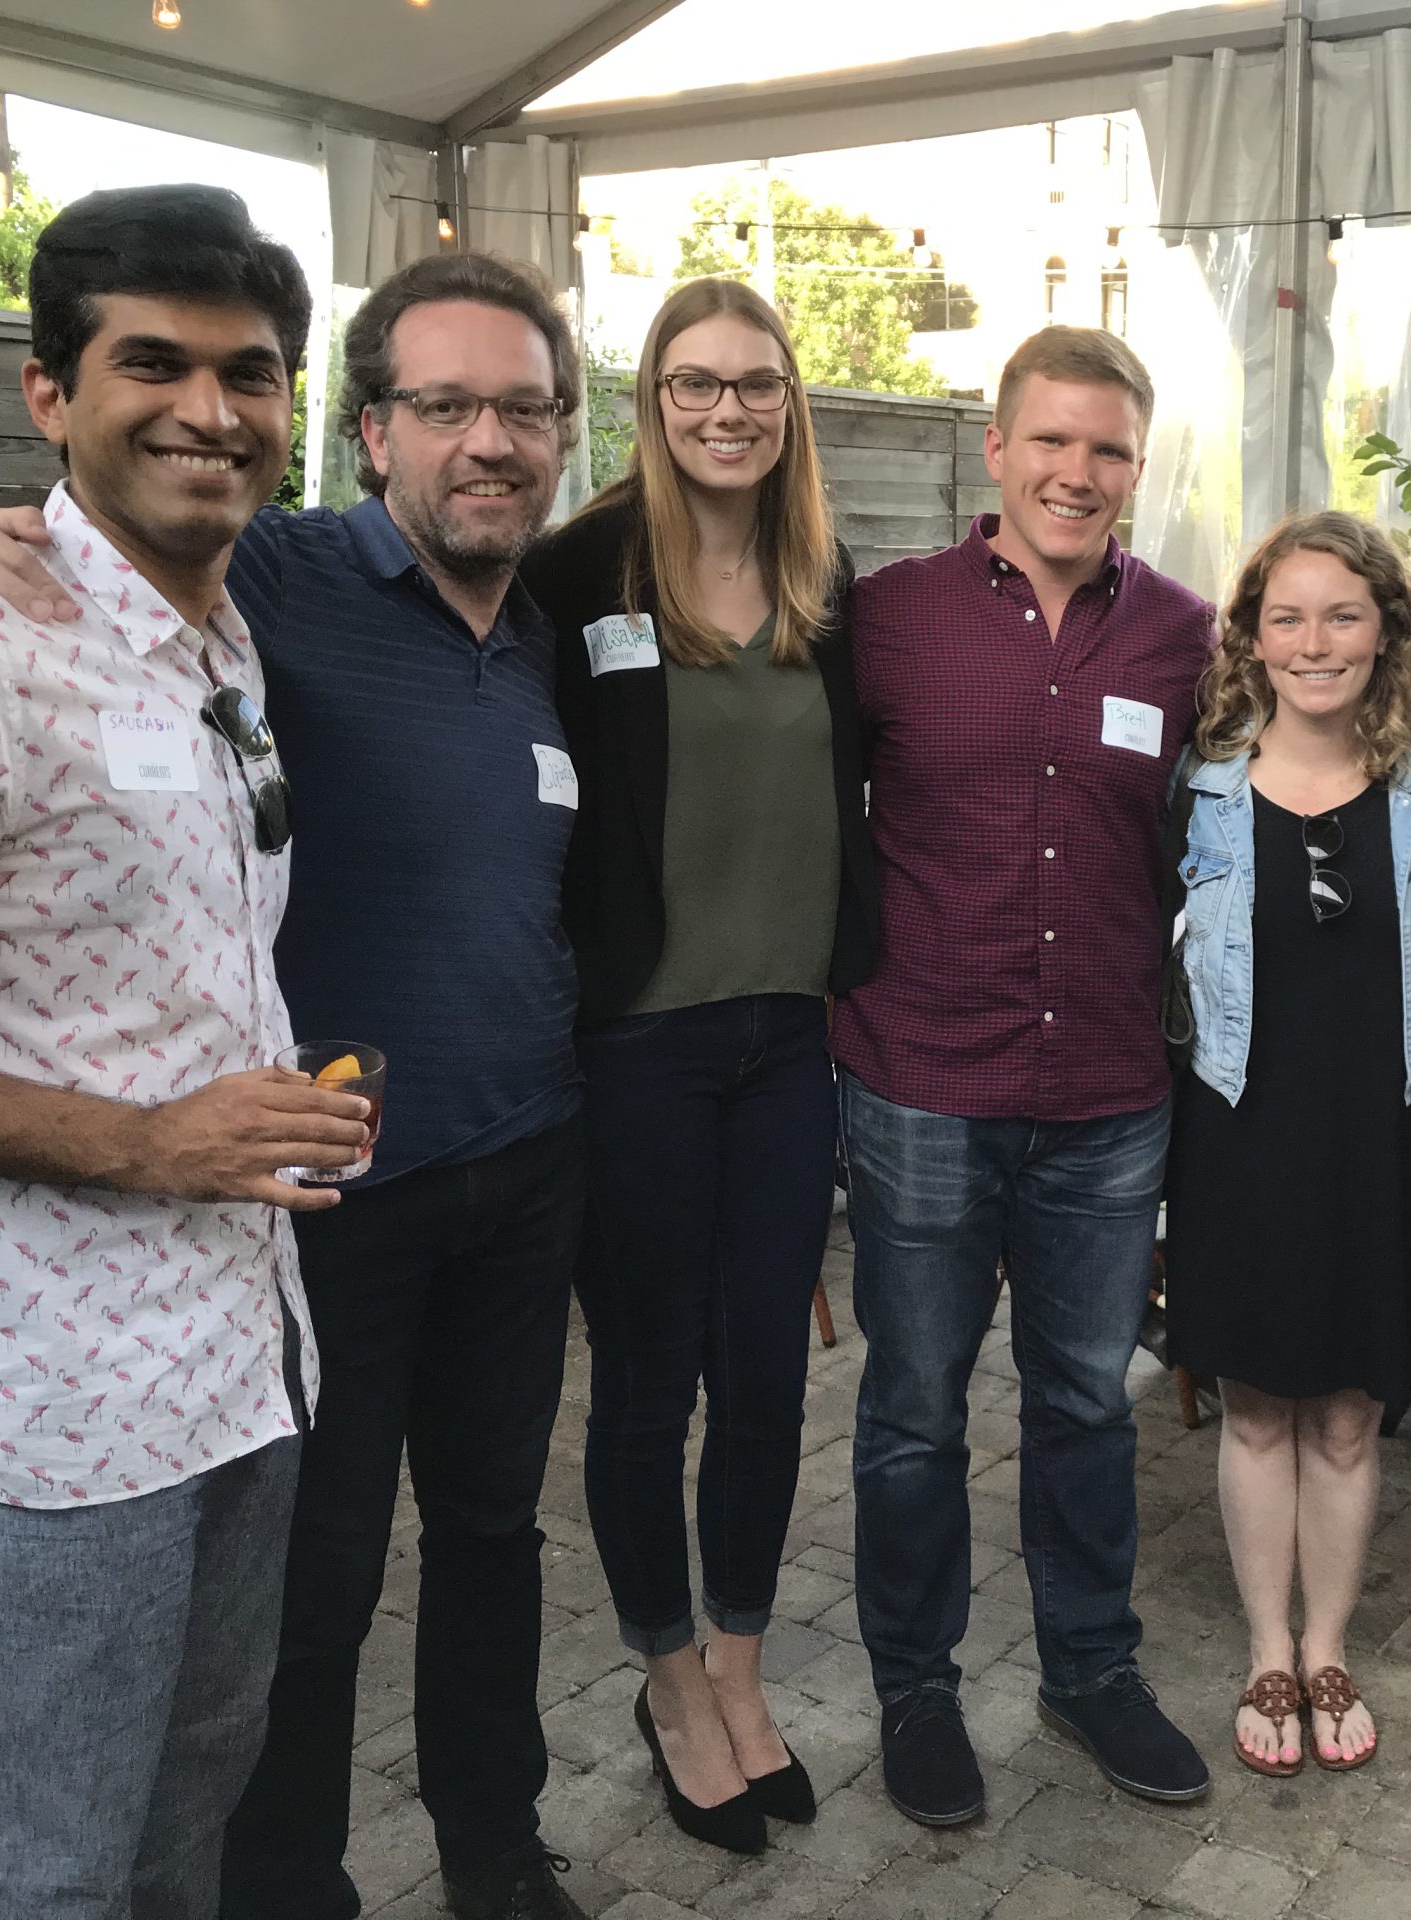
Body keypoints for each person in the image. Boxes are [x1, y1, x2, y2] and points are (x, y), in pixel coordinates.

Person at [0, 249, 598, 1920]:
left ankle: (493, 1843)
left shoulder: (547, 627)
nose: (491, 441)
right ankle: (285, 1888)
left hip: (522, 1162)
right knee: (315, 1588)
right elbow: (78, 539)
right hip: (314, 1189)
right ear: (371, 429)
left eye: (527, 410)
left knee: (493, 1535)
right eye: (448, 405)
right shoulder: (278, 568)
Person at [0, 185, 371, 1920]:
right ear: (49, 393)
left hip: (240, 1360)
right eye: (155, 365)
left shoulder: (221, 633)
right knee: (42, 1867)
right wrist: (144, 1144)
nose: (211, 409)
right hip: (53, 1417)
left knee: (185, 1820)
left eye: (252, 373)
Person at [836, 326, 1215, 1824]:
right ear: (995, 449)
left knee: (1085, 1403)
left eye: (1108, 449)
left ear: (1137, 464)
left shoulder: (1186, 635)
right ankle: (916, 1690)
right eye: (1051, 441)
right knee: (915, 1407)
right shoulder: (884, 619)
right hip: (921, 1073)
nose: (1079, 472)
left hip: (1110, 1091)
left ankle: (1090, 1670)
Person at [522, 277, 878, 1856]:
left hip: (790, 1041)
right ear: (650, 402)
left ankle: (737, 1664)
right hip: (642, 1047)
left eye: (755, 384)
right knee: (647, 1385)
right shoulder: (574, 572)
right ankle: (666, 1679)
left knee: (769, 1375)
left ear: (790, 404)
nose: (727, 410)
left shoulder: (828, 577)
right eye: (693, 384)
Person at [1161, 511, 1411, 1776]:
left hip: (1382, 1131)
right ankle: (1264, 1653)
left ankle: (1329, 1642)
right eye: (1284, 616)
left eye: (1343, 614)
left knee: (1349, 1415)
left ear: (1387, 631)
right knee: (1253, 1408)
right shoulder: (1196, 778)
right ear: (1248, 638)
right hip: (1239, 1126)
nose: (1313, 641)